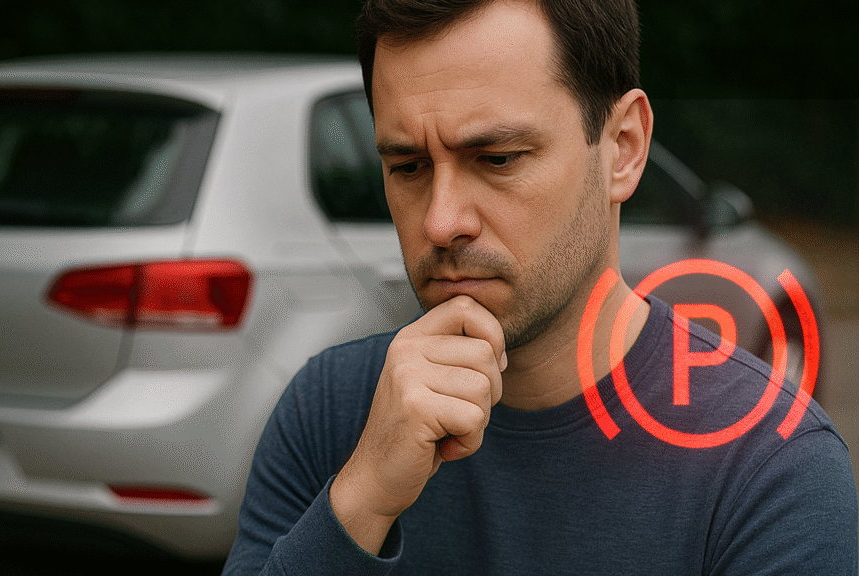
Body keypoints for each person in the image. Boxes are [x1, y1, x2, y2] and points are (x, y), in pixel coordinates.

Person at [221, 0, 859, 573]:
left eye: (497, 159)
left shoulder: (769, 467)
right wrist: (360, 504)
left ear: (624, 148)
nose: (441, 221)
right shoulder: (330, 413)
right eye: (408, 167)